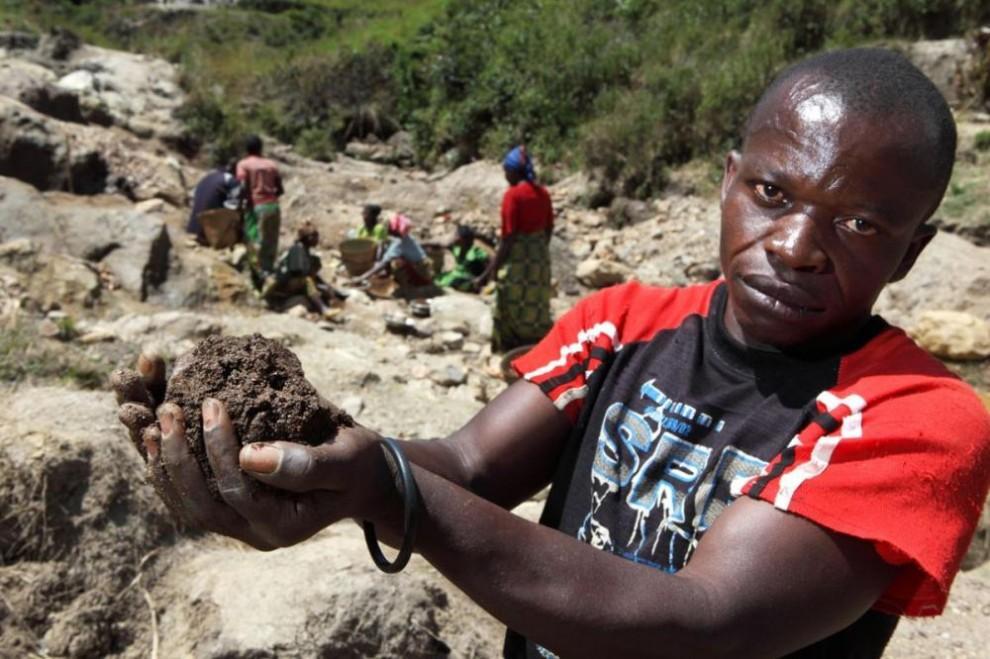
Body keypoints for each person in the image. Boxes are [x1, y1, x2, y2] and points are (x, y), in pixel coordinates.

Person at [114, 48, 990, 658]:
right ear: (728, 179)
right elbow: (468, 464)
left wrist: (386, 488)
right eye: (770, 191)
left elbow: (704, 624)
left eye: (861, 222)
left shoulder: (920, 419)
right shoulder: (624, 321)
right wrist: (308, 455)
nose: (796, 243)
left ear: (912, 250)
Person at [477, 145, 554, 352]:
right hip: (540, 257)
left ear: (514, 171)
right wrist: (538, 254)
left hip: (519, 257)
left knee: (508, 297)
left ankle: (508, 349)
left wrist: (494, 267)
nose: (505, 175)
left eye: (506, 170)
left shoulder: (513, 196)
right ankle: (536, 347)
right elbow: (548, 229)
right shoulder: (543, 194)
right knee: (536, 303)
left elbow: (508, 236)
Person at [261, 222, 339, 318]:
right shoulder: (297, 249)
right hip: (281, 286)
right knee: (307, 280)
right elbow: (297, 271)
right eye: (315, 237)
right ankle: (323, 309)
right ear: (309, 238)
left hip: (289, 283)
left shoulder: (303, 250)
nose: (317, 240)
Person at [237, 134, 284, 274]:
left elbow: (243, 186)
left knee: (253, 238)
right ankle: (268, 270)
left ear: (246, 149)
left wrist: (241, 205)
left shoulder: (243, 164)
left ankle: (255, 273)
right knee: (271, 240)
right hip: (273, 206)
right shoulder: (271, 165)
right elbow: (280, 189)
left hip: (256, 206)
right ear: (260, 148)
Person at [352, 213, 433, 293]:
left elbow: (382, 264)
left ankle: (409, 287)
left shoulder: (399, 244)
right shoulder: (406, 237)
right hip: (425, 269)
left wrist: (362, 277)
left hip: (421, 274)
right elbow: (383, 244)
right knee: (392, 255)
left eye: (387, 227)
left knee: (396, 263)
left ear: (392, 229)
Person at [186, 160, 240, 244]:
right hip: (208, 226)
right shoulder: (231, 180)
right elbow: (233, 205)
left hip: (192, 225)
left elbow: (193, 194)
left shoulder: (210, 175)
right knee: (236, 213)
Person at [428, 225, 492, 292]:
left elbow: (490, 264)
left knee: (459, 284)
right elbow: (439, 245)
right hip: (454, 275)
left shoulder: (476, 251)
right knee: (436, 279)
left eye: (456, 235)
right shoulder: (456, 248)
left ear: (464, 239)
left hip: (467, 278)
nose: (455, 237)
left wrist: (481, 278)